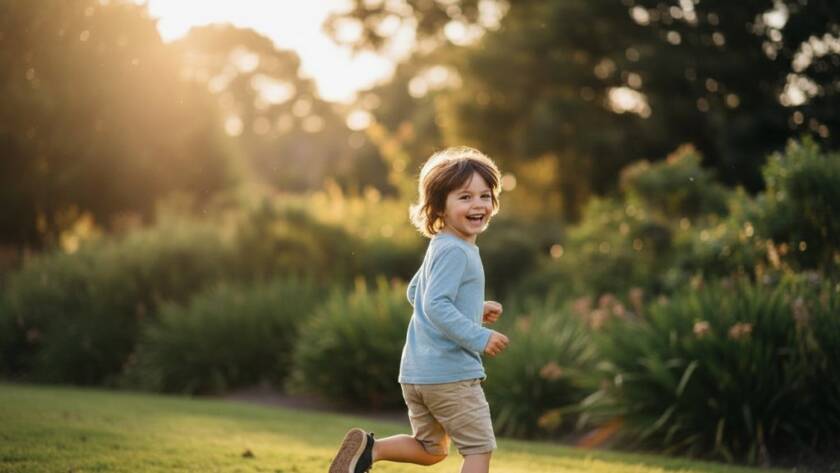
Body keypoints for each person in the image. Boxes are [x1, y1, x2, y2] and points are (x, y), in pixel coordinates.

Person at [328, 146, 510, 473]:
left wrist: (473, 308)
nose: (478, 204)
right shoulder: (458, 252)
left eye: (485, 195)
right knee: (479, 450)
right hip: (451, 374)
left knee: (431, 449)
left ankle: (370, 450)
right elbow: (434, 303)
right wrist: (478, 335)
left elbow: (417, 291)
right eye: (465, 197)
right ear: (439, 205)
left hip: (417, 374)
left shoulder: (440, 244)